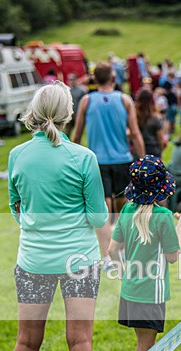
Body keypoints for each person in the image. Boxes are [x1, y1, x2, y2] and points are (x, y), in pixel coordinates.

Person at [7, 82, 109, 351]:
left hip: (33, 259)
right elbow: (98, 219)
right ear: (68, 115)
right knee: (79, 341)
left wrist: (38, 228)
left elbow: (15, 206)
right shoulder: (82, 157)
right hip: (78, 259)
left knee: (26, 341)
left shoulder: (17, 155)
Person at [107, 155, 181, 351]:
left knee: (145, 346)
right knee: (145, 350)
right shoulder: (163, 216)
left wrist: (127, 275)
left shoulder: (127, 212)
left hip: (130, 292)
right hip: (151, 294)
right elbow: (173, 256)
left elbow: (112, 251)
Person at [72, 62, 145, 266]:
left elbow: (77, 133)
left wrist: (72, 157)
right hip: (122, 158)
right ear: (113, 78)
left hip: (97, 161)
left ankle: (108, 255)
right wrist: (145, 159)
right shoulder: (124, 100)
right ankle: (121, 250)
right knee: (124, 208)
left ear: (94, 79)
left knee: (103, 209)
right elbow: (136, 133)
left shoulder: (87, 101)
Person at [135, 88, 165, 158]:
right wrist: (161, 151)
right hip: (153, 150)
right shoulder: (155, 118)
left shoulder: (135, 118)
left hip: (138, 149)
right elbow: (160, 139)